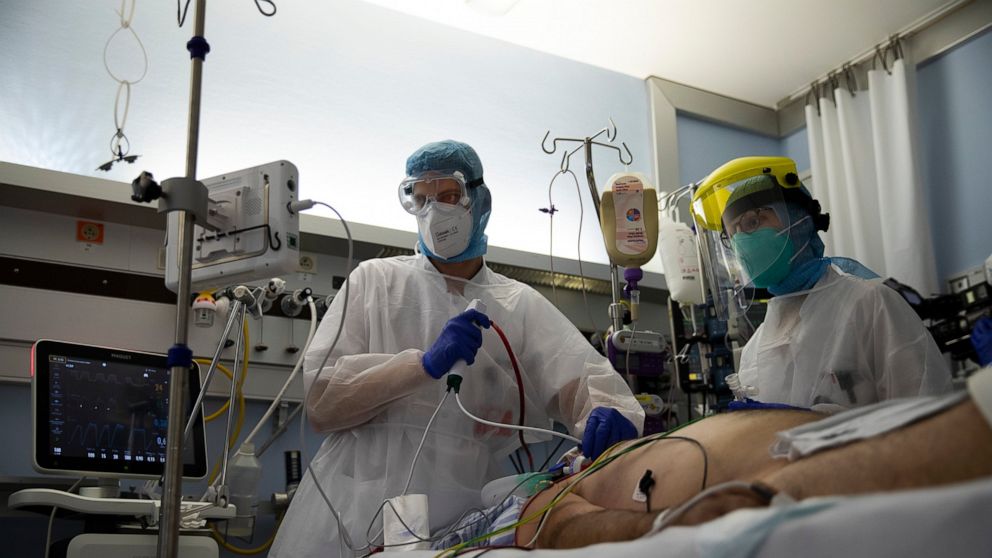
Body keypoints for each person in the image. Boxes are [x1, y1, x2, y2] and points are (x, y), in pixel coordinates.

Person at [269, 140, 644, 558]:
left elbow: (582, 379)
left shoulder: (516, 304)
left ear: (479, 200)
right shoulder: (375, 281)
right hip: (352, 510)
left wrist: (610, 413)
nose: (434, 212)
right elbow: (322, 402)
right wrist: (422, 366)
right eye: (421, 199)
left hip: (466, 514)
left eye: (448, 196)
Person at [494, 365, 991, 549]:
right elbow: (553, 527)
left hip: (826, 435)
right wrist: (659, 526)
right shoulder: (553, 489)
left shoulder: (607, 455)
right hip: (773, 480)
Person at [691, 157, 952, 410]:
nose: (741, 242)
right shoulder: (754, 348)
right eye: (732, 234)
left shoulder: (871, 304)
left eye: (752, 222)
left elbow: (927, 413)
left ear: (799, 220)